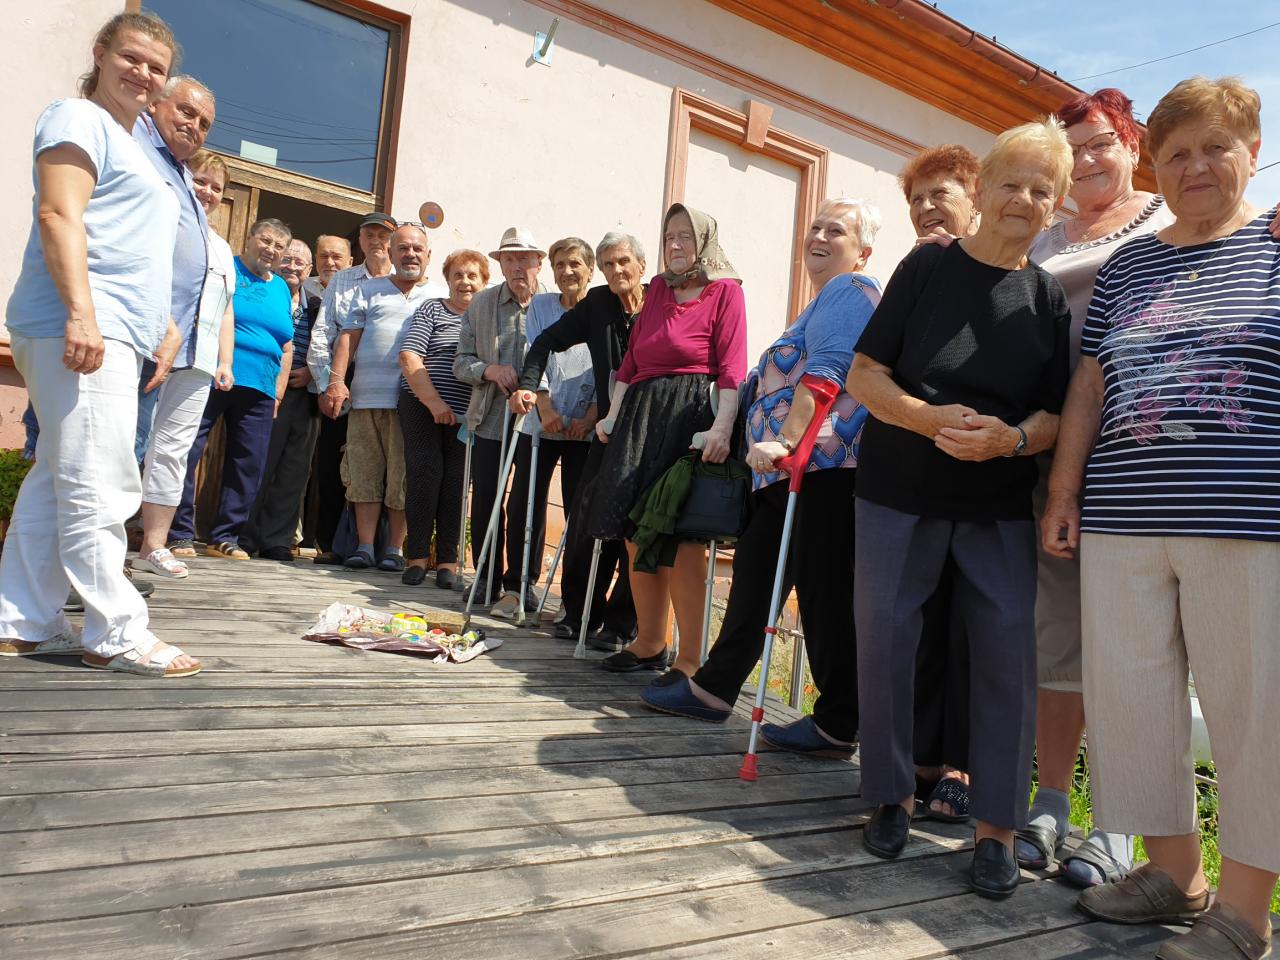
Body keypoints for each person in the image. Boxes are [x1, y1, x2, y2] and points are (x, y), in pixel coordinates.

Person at [1044, 77, 1279, 960]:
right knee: (1128, 699)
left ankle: (1246, 914)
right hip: (1122, 516)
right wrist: (1064, 493)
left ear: (1253, 152)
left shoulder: (1276, 244)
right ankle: (1175, 874)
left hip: (1247, 517)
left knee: (1251, 710)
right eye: (1177, 153)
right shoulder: (1129, 265)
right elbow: (1090, 383)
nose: (1196, 166)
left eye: (1216, 147)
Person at [847, 119, 1072, 899]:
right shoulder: (927, 266)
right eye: (1011, 183)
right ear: (984, 189)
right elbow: (864, 375)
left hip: (997, 502)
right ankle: (890, 796)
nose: (1024, 200)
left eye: (1042, 191)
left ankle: (997, 830)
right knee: (886, 639)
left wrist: (1011, 439)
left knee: (1007, 654)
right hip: (898, 489)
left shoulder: (1046, 297)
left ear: (1056, 207)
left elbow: (1054, 414)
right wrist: (925, 418)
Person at [1009, 88, 1178, 888]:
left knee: (1136, 644)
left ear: (1133, 145)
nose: (1084, 161)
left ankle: (1120, 823)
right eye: (1070, 148)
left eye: (1100, 142)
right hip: (1046, 455)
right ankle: (1050, 802)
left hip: (1137, 454)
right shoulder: (1043, 235)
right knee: (1059, 637)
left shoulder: (1166, 220)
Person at [640, 198, 881, 759]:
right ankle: (715, 688)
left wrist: (787, 441)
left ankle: (837, 723)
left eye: (836, 231)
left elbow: (829, 371)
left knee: (823, 593)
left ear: (863, 251)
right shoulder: (819, 301)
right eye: (815, 226)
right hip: (786, 474)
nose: (818, 236)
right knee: (758, 579)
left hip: (819, 468)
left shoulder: (851, 290)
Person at [0, 12, 199, 677]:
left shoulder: (131, 140)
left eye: (156, 67)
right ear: (100, 53)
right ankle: (116, 631)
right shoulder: (77, 117)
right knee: (101, 482)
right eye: (131, 58)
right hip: (82, 326)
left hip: (115, 327)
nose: (143, 74)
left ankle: (22, 622)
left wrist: (162, 325)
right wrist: (82, 316)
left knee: (58, 479)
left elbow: (129, 241)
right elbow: (58, 213)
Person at [591, 203, 746, 678]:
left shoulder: (725, 291)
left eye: (685, 236)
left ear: (704, 241)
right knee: (635, 531)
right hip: (640, 413)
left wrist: (721, 428)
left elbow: (732, 367)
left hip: (690, 413)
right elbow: (633, 361)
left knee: (681, 538)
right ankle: (649, 642)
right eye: (669, 236)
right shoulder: (657, 287)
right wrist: (613, 414)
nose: (675, 245)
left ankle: (691, 659)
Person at [897, 144, 981, 823]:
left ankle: (962, 763)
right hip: (912, 466)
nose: (927, 207)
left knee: (968, 623)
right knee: (920, 619)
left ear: (974, 201)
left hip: (981, 471)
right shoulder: (913, 270)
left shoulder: (1000, 267)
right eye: (917, 198)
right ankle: (922, 755)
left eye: (941, 193)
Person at [509, 232, 645, 647]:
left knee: (636, 527)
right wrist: (529, 385)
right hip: (607, 430)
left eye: (623, 262)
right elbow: (545, 342)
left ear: (641, 266)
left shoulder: (659, 301)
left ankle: (622, 624)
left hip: (648, 427)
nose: (616, 270)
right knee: (586, 518)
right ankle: (577, 611)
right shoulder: (598, 303)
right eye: (608, 264)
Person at [132, 148, 236, 579]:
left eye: (216, 187)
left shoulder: (222, 248)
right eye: (201, 181)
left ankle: (153, 545)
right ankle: (108, 540)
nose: (208, 191)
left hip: (199, 362)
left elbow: (226, 308)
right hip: (153, 349)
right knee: (131, 442)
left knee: (174, 452)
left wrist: (224, 361)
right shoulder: (161, 222)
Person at [168, 218, 294, 560]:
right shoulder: (228, 269)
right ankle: (178, 532)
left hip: (262, 386)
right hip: (213, 374)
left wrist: (278, 392)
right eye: (265, 240)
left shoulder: (282, 288)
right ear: (249, 238)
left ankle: (224, 536)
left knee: (249, 463)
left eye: (279, 246)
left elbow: (286, 345)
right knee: (187, 450)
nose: (270, 249)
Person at [492, 237, 597, 617]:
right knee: (525, 501)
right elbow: (536, 352)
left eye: (575, 264)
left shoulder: (601, 307)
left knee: (578, 511)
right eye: (560, 265)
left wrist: (591, 416)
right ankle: (517, 588)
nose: (567, 271)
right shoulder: (542, 305)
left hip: (584, 424)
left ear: (590, 269)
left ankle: (573, 600)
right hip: (542, 416)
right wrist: (545, 404)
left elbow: (609, 365)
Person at [328, 223, 438, 571]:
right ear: (391, 253)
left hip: (413, 403)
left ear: (428, 255)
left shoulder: (438, 296)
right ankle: (364, 547)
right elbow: (348, 338)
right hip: (365, 399)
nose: (410, 254)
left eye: (417, 249)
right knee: (364, 474)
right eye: (403, 248)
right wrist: (336, 381)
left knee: (403, 477)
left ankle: (394, 549)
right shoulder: (369, 289)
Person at [453, 227, 546, 604]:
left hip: (538, 419)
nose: (518, 266)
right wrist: (489, 370)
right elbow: (461, 362)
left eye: (525, 258)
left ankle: (522, 583)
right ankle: (486, 579)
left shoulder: (551, 304)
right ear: (501, 264)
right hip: (491, 415)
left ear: (538, 262)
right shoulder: (481, 304)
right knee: (487, 498)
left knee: (529, 501)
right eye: (510, 259)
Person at [131, 75, 218, 466]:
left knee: (129, 453)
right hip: (126, 331)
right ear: (154, 104)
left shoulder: (179, 171)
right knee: (88, 458)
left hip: (156, 346)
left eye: (204, 123)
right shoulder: (133, 143)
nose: (194, 126)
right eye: (186, 111)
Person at [307, 212, 394, 564]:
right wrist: (327, 383)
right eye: (369, 235)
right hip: (343, 375)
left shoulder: (406, 281)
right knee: (333, 465)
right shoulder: (343, 280)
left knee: (384, 467)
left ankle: (379, 547)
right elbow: (323, 333)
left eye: (382, 236)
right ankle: (330, 544)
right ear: (360, 241)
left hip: (386, 382)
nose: (376, 241)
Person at [397, 249, 484, 586]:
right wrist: (434, 403)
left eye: (472, 276)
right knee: (424, 474)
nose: (465, 282)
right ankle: (417, 558)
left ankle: (447, 563)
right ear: (447, 280)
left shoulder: (487, 320)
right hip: (422, 405)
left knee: (456, 484)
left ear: (484, 282)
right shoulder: (432, 309)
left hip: (467, 415)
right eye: (458, 275)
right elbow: (410, 356)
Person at [242, 239, 321, 562]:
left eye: (299, 263)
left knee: (294, 470)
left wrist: (312, 373)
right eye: (287, 260)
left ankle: (277, 539)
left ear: (309, 270)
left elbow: (329, 343)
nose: (292, 267)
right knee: (258, 463)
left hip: (305, 395)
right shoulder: (263, 293)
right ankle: (244, 536)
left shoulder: (317, 306)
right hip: (265, 388)